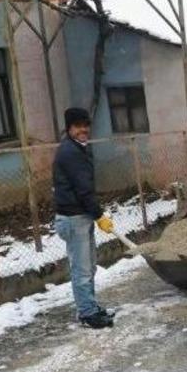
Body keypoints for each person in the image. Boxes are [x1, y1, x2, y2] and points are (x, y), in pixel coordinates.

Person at [53, 107, 116, 329]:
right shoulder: (70, 152)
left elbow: (84, 188)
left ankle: (90, 306)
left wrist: (95, 214)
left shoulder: (78, 148)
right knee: (81, 270)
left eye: (86, 125)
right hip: (73, 218)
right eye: (78, 126)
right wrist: (99, 215)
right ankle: (87, 314)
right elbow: (83, 189)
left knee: (89, 267)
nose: (83, 130)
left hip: (81, 215)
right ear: (69, 128)